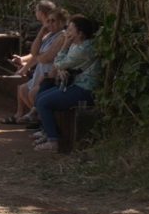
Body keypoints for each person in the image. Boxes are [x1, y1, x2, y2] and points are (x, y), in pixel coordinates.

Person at [34, 15, 101, 152]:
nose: (67, 33)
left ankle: (53, 141)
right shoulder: (77, 45)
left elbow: (59, 62)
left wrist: (64, 46)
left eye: (70, 30)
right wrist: (61, 70)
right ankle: (50, 133)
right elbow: (62, 65)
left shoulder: (84, 48)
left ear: (80, 33)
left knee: (43, 103)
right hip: (75, 84)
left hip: (85, 89)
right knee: (41, 96)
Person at [2, 2, 66, 125]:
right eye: (49, 21)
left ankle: (40, 120)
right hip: (40, 71)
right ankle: (34, 117)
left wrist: (29, 63)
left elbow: (46, 57)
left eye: (53, 21)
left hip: (49, 74)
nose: (50, 24)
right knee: (23, 90)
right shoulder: (48, 34)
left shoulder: (62, 36)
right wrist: (41, 33)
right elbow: (34, 52)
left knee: (33, 94)